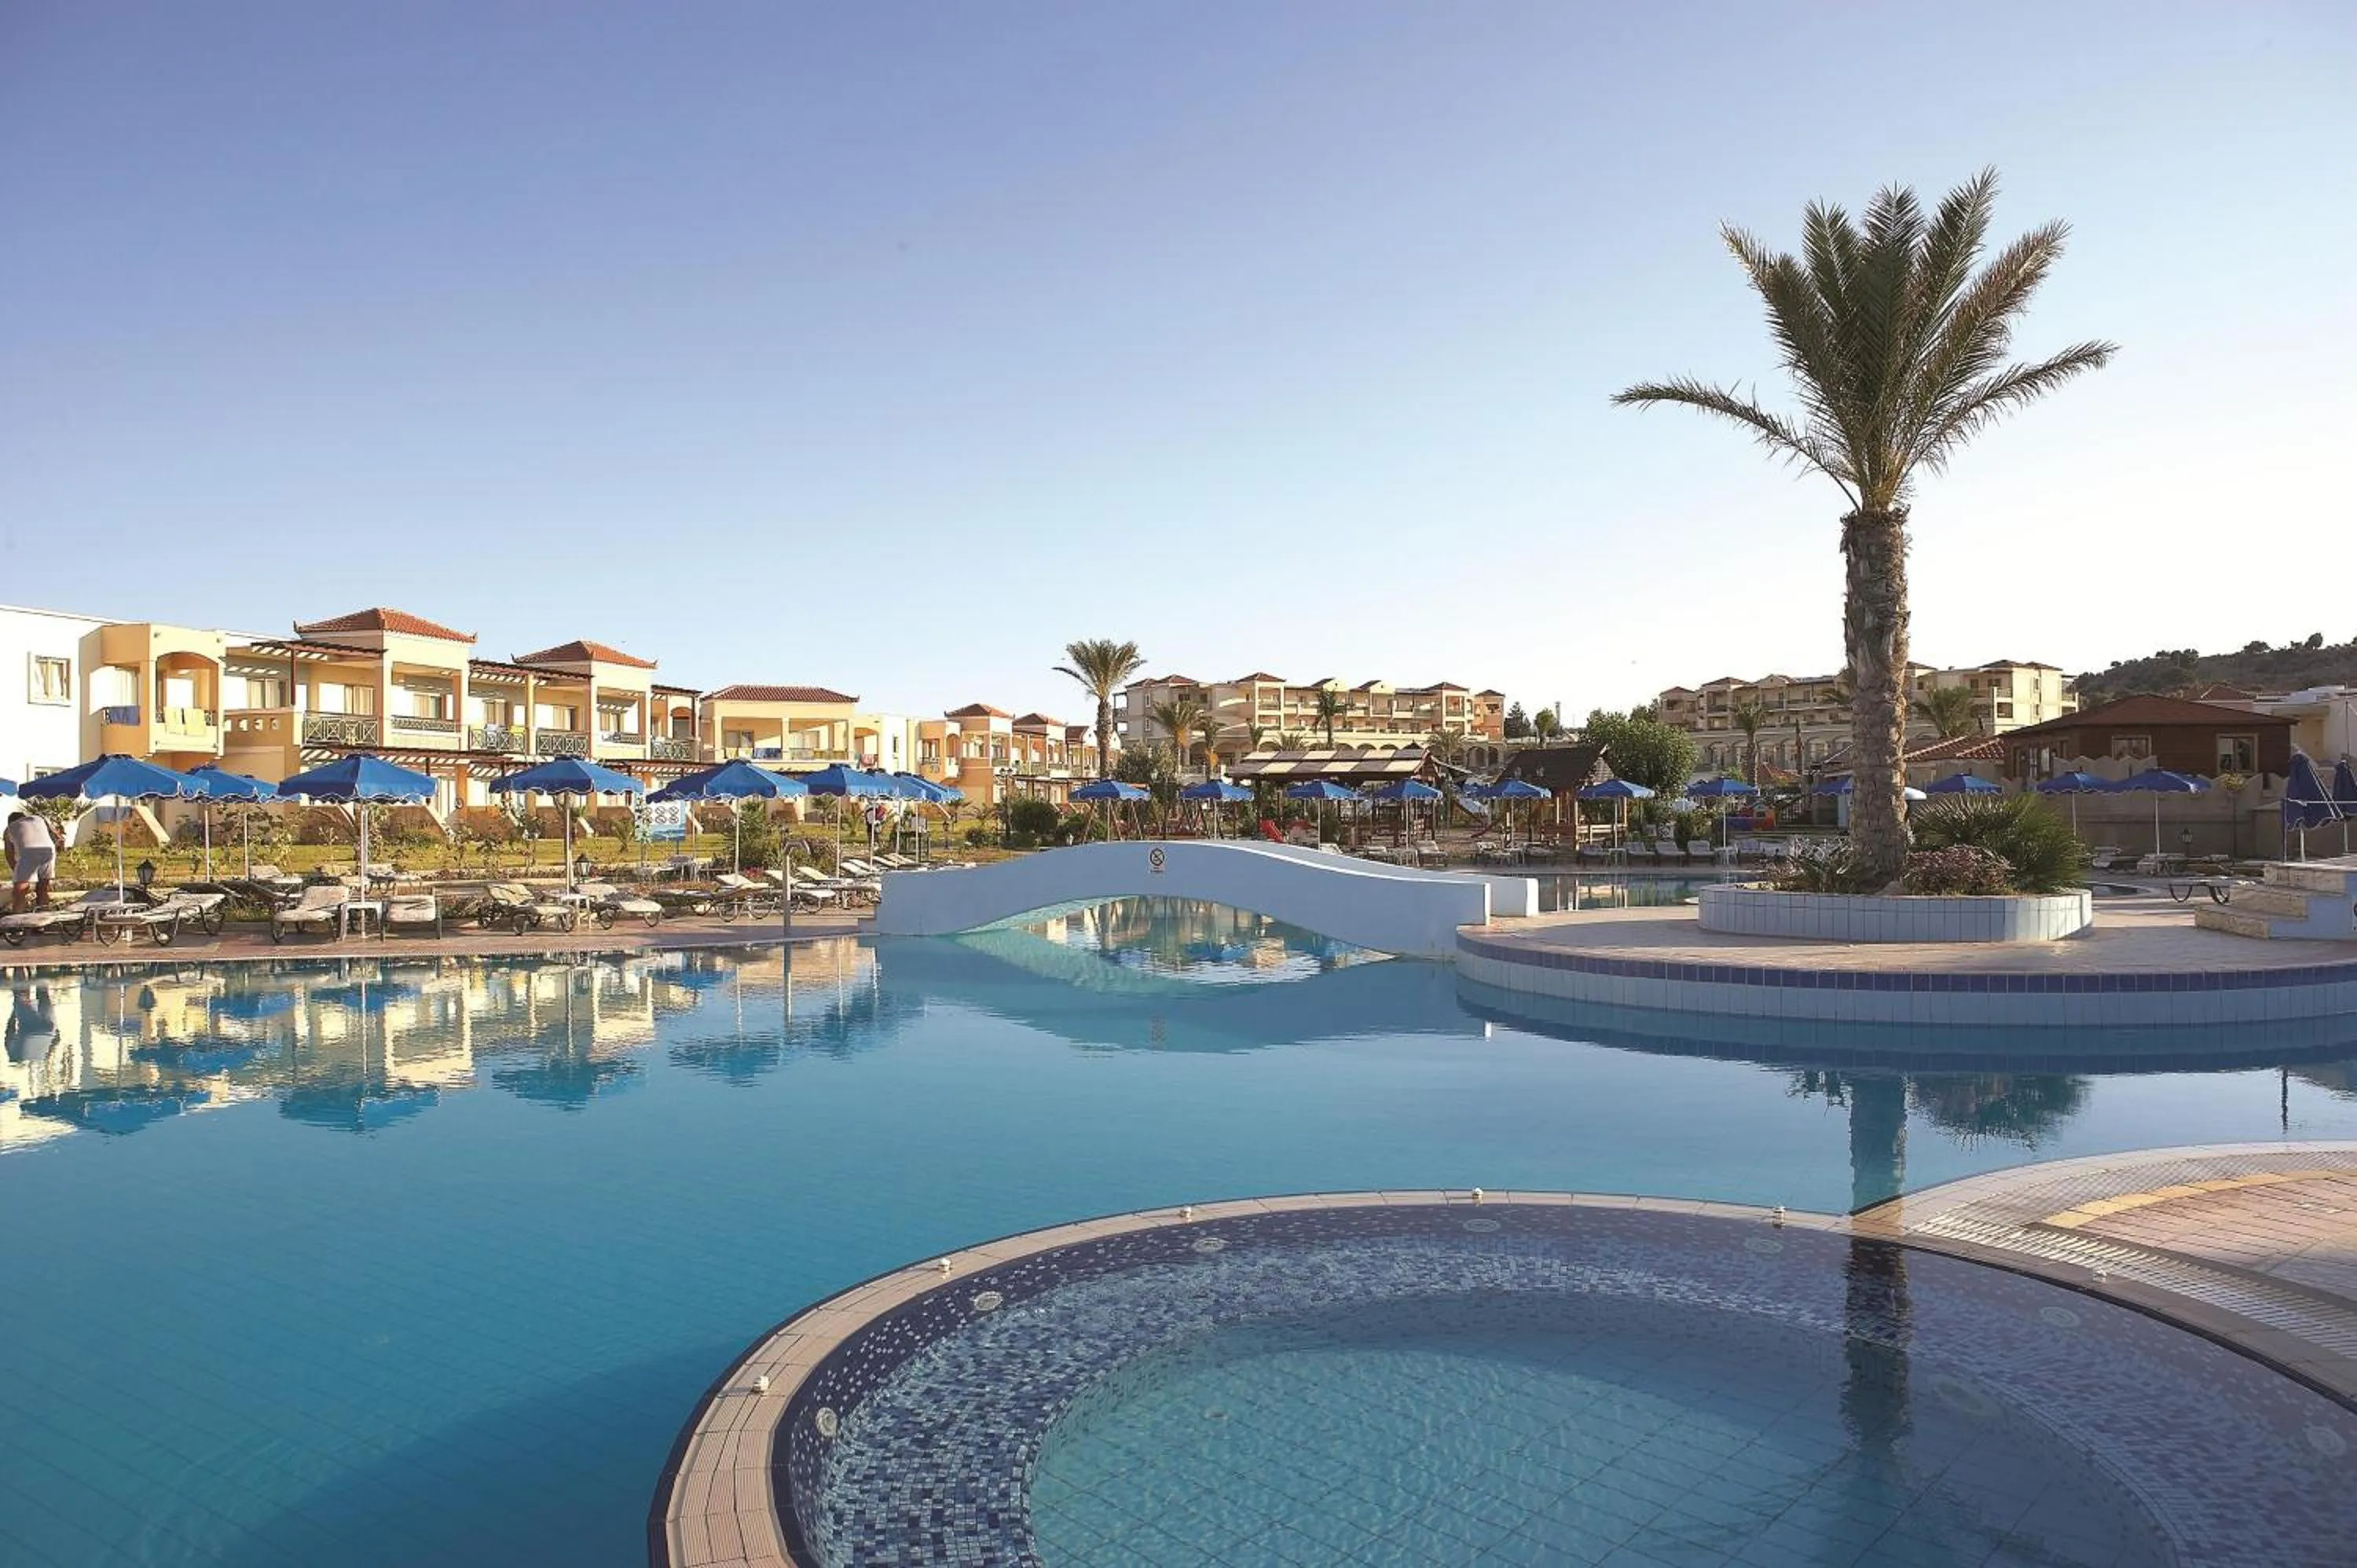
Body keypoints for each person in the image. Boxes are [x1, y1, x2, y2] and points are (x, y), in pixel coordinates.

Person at [5, 810, 58, 913]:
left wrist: (17, 876)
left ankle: (17, 923)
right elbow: (56, 836)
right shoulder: (38, 819)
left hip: (28, 852)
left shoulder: (9, 829)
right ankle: (42, 923)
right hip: (49, 850)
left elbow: (9, 855)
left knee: (20, 891)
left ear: (10, 822)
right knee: (43, 889)